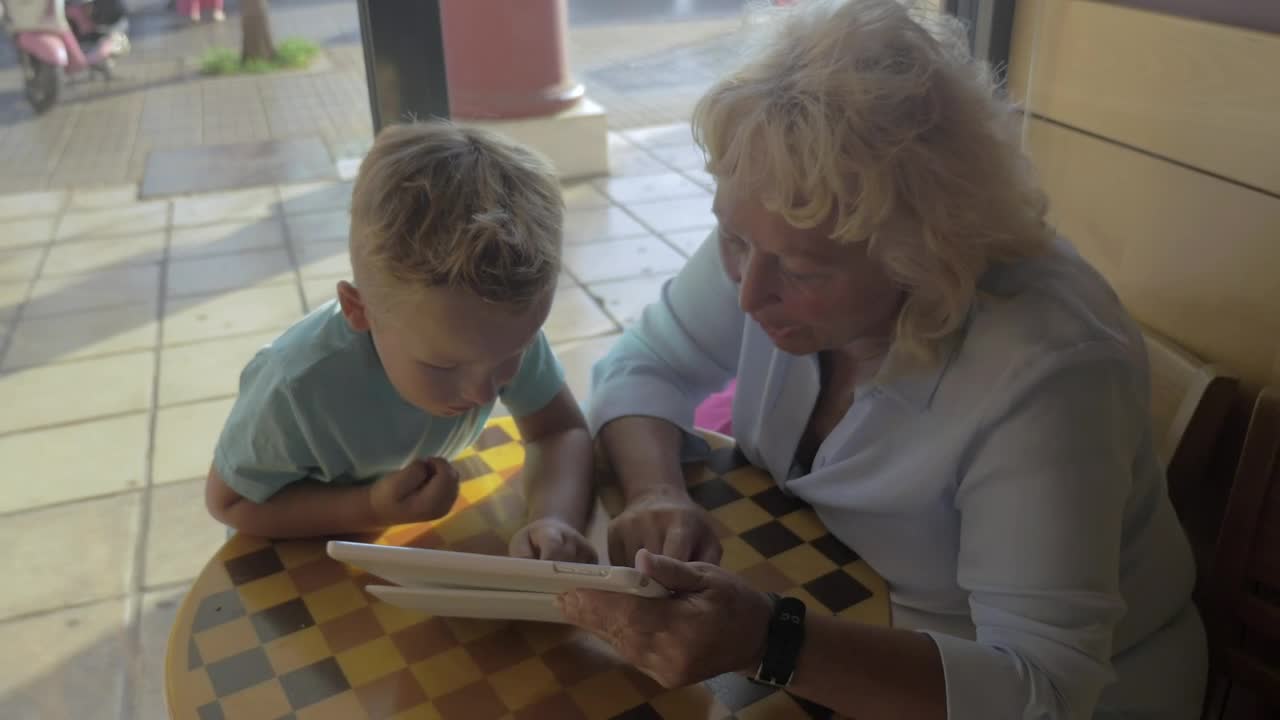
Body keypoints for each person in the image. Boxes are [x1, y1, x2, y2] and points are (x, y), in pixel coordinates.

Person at [558, 1, 1208, 718]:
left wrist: (771, 643)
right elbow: (644, 362)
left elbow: (1042, 689)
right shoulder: (777, 226)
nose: (748, 296)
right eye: (733, 242)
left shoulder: (1048, 373)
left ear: (921, 252)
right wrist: (656, 491)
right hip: (826, 613)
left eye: (800, 273)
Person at [205, 121, 598, 565]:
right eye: (443, 367)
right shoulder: (295, 388)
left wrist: (553, 519)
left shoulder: (496, 332)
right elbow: (230, 503)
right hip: (296, 560)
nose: (484, 394)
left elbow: (560, 430)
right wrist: (368, 507)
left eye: (513, 356)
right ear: (358, 310)